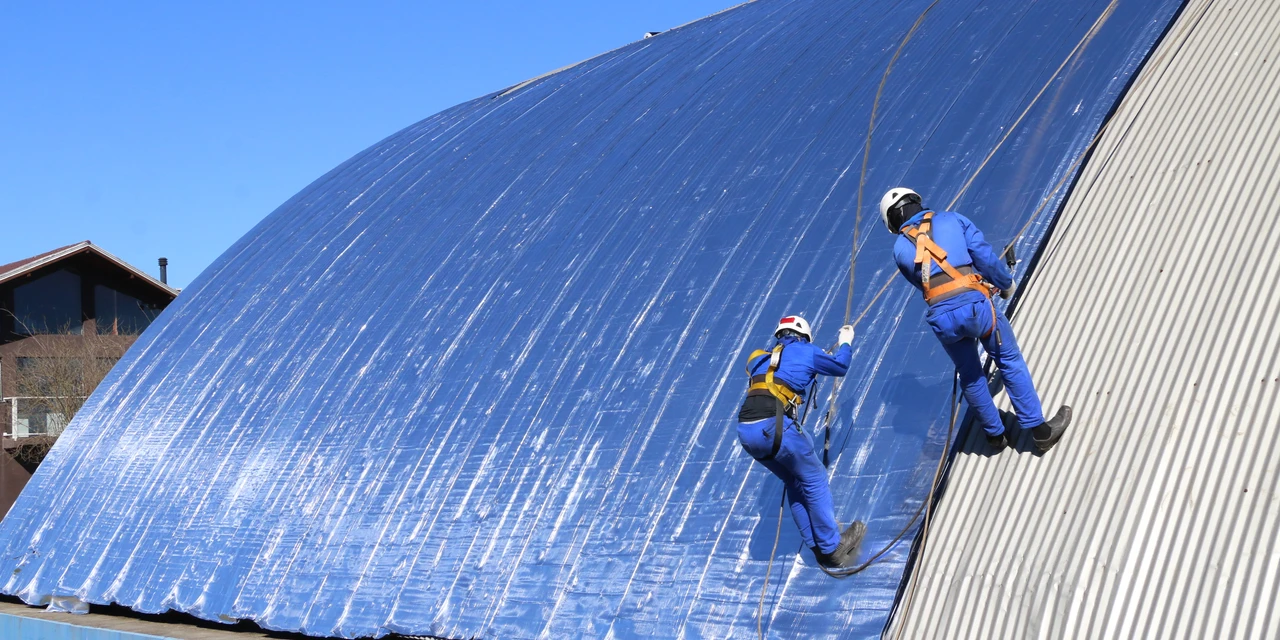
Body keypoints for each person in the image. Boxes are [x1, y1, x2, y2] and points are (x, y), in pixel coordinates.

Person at [879, 187, 1070, 452]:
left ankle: (995, 436)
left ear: (893, 220)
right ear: (916, 201)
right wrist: (1005, 284)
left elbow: (925, 284)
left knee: (970, 375)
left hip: (942, 318)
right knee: (1008, 360)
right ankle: (1040, 431)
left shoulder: (900, 248)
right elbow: (984, 257)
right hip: (976, 307)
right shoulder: (952, 219)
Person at [738, 315, 865, 568]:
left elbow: (783, 372)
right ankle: (832, 547)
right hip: (773, 426)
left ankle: (817, 546)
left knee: (794, 481)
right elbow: (840, 366)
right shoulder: (807, 351)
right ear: (804, 336)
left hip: (746, 430)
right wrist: (845, 342)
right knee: (814, 478)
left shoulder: (760, 358)